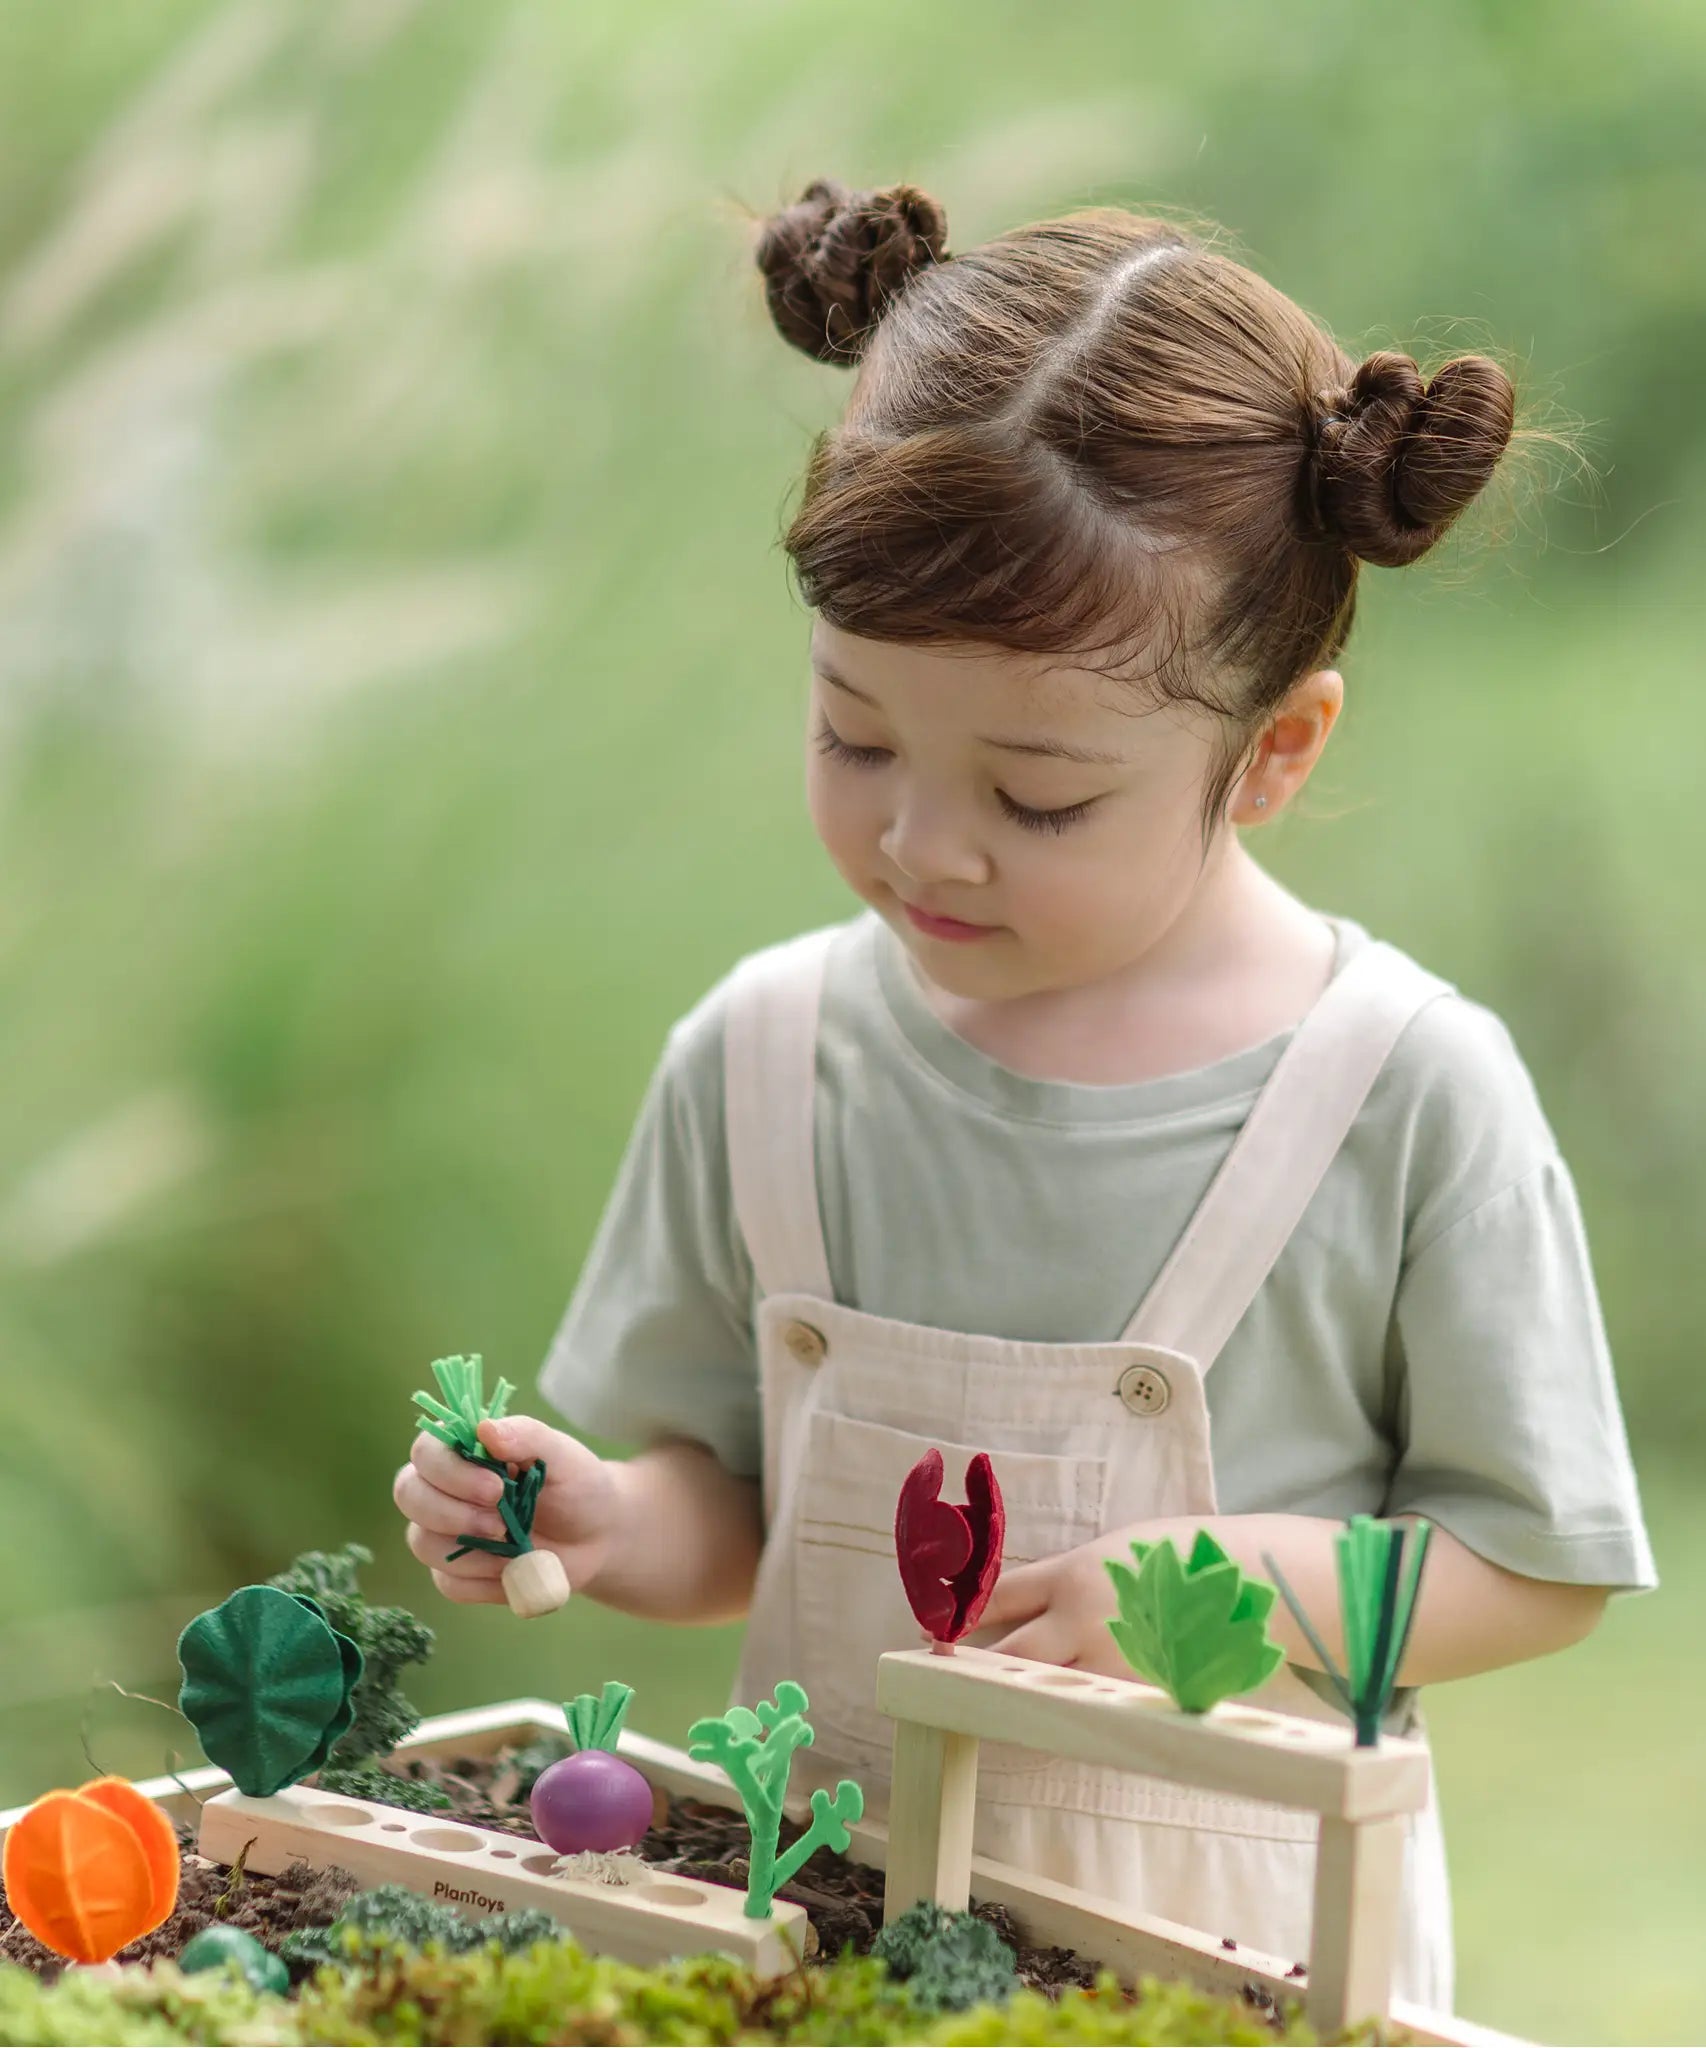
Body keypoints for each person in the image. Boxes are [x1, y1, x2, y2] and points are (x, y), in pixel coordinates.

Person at [392, 182, 1658, 2010]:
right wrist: (601, 1518)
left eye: (1038, 797)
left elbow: (1535, 1572)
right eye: (854, 732)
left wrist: (1238, 1600)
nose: (920, 843)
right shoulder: (760, 1063)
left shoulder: (1399, 1093)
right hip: (812, 1934)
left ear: (1275, 749)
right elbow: (739, 1517)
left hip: (1232, 1962)